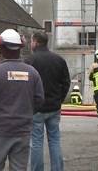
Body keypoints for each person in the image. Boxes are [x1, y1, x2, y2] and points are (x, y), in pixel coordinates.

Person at [0, 29, 44, 171]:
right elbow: (39, 100)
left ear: (1, 48)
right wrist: (26, 114)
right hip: (22, 129)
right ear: (20, 48)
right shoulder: (32, 73)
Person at [26, 32, 71, 171]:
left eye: (31, 41)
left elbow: (25, 85)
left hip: (36, 109)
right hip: (54, 107)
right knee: (55, 140)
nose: (30, 44)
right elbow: (66, 82)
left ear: (35, 42)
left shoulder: (29, 61)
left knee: (37, 142)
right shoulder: (59, 60)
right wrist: (59, 100)